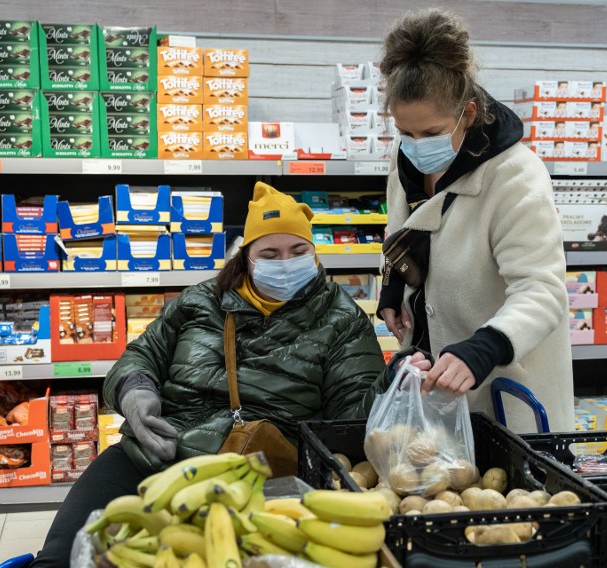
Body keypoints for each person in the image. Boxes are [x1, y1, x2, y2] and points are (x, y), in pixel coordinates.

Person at [31, 182, 400, 567]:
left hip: (263, 479)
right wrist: (134, 390)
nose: (286, 262)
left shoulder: (342, 321)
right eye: (270, 253)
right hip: (156, 456)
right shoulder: (200, 301)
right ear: (247, 257)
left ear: (314, 253)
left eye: (298, 251)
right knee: (58, 559)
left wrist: (391, 384)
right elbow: (141, 354)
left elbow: (348, 421)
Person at [377, 8, 574, 433]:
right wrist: (395, 281)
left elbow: (542, 289)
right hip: (432, 382)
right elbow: (404, 228)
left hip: (506, 389)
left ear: (467, 114)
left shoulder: (516, 177)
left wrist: (486, 346)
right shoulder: (404, 157)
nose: (416, 146)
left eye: (430, 133)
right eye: (404, 132)